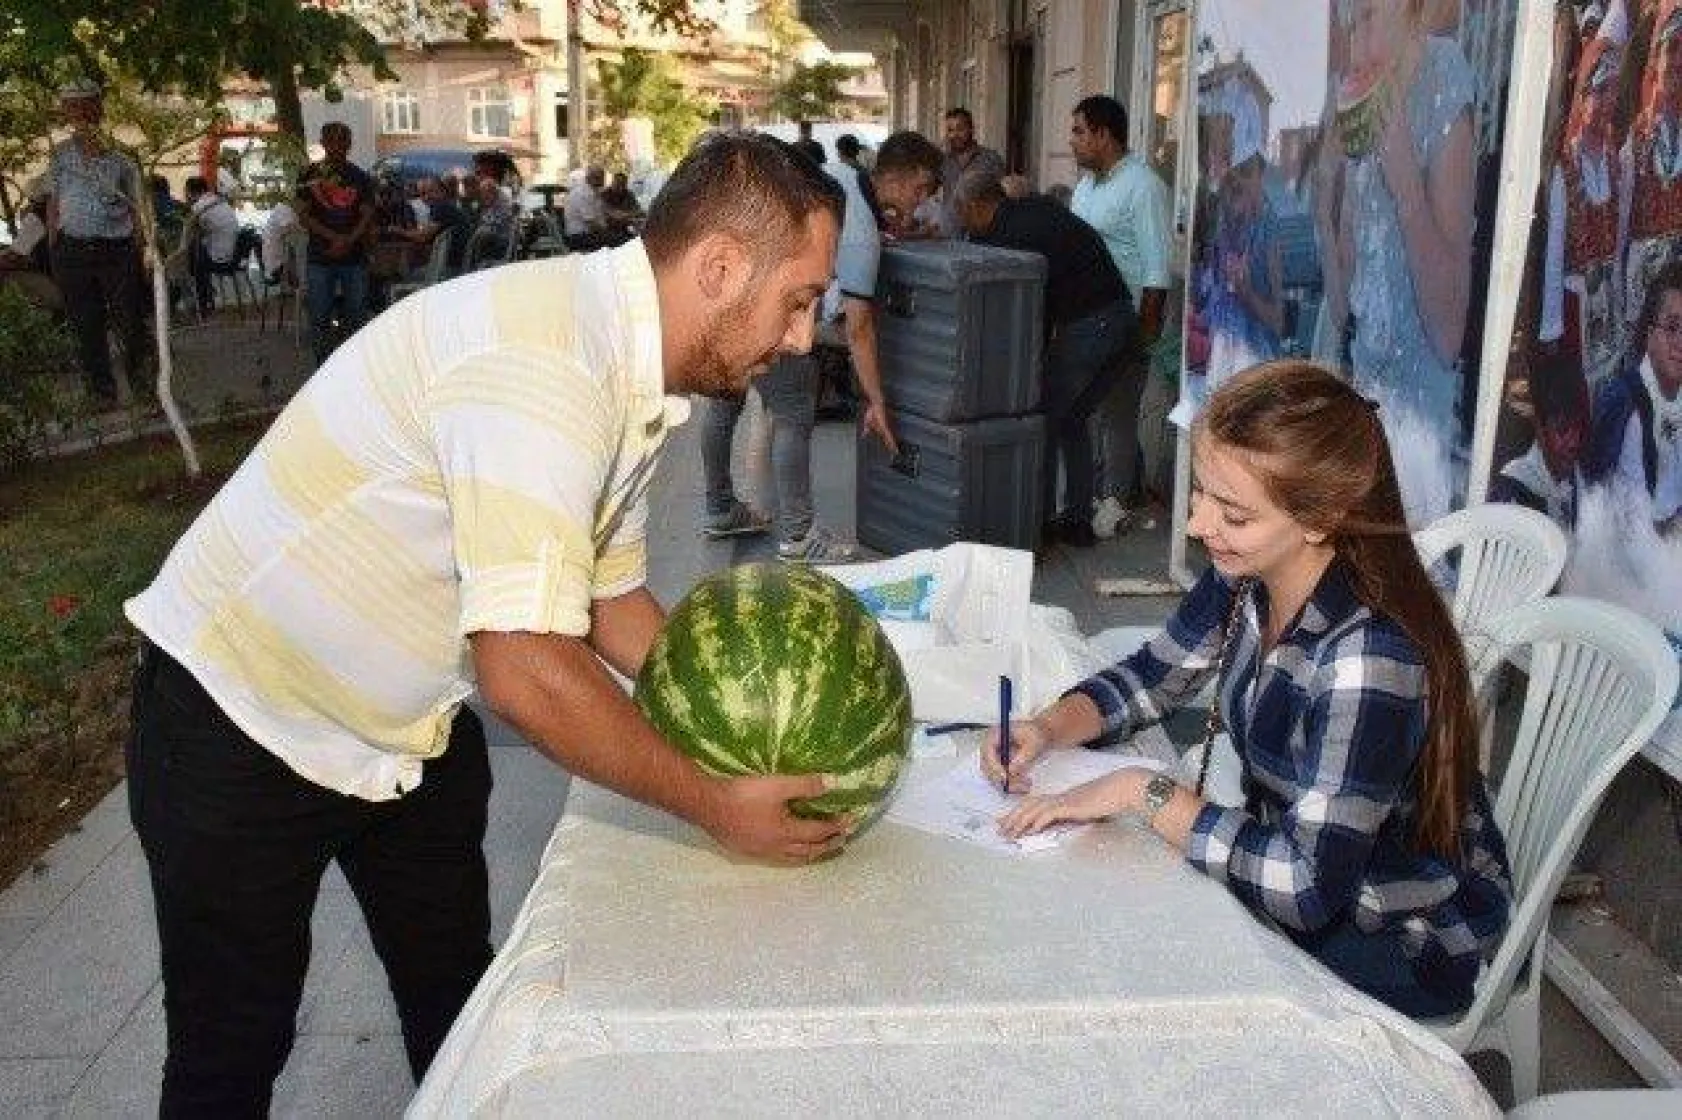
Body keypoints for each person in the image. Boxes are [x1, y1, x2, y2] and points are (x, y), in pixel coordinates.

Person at [122, 133, 850, 1114]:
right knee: (233, 1050)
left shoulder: (624, 363)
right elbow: (524, 672)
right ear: (718, 266)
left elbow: (606, 601)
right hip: (241, 720)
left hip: (405, 726)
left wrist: (762, 716)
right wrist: (717, 802)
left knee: (460, 1004)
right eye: (798, 300)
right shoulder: (545, 366)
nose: (803, 338)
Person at [988, 360, 1512, 1019]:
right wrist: (1047, 727)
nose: (1199, 526)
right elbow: (1156, 676)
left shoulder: (1369, 657)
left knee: (1144, 974)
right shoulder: (1252, 571)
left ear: (1319, 520)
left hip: (1401, 936)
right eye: (1202, 496)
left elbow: (1306, 887)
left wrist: (1142, 792)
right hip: (1302, 871)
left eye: (1232, 514)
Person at [699, 132, 939, 561]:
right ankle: (798, 534)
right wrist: (876, 400)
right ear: (904, 180)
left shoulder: (839, 175)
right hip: (775, 306)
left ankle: (718, 507)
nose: (920, 204)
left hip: (734, 288)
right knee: (792, 409)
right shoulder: (861, 232)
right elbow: (859, 327)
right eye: (921, 191)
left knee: (724, 402)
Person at [954, 169, 1135, 548]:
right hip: (1118, 319)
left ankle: (1039, 525)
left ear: (974, 205)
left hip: (1090, 326)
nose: (961, 222)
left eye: (961, 211)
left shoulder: (1009, 237)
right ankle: (1077, 522)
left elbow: (1025, 309)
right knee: (1072, 420)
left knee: (1047, 422)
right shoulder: (1033, 209)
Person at [1069, 94, 1174, 536]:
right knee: (1086, 411)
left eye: (1078, 131)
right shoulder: (1086, 186)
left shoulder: (1144, 186)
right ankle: (1094, 491)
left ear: (1103, 134)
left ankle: (1116, 500)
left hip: (1126, 321)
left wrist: (1143, 335)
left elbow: (1156, 270)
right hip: (1085, 320)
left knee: (1117, 414)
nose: (1072, 141)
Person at [46, 77, 148, 406]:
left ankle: (145, 391)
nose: (76, 114)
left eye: (81, 105)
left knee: (130, 321)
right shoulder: (60, 155)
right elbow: (53, 200)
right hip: (71, 250)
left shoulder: (122, 156)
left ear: (97, 108)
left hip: (116, 251)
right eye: (69, 107)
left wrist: (142, 248)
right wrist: (53, 241)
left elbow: (137, 207)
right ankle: (101, 394)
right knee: (85, 326)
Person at [1586, 260, 1682, 533]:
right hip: (1635, 549)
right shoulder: (1623, 402)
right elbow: (1602, 499)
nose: (1680, 342)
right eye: (1672, 327)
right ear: (1650, 333)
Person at [296, 121, 376, 363]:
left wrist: (349, 240)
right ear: (323, 143)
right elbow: (303, 215)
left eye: (342, 140)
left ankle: (355, 366)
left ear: (349, 144)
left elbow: (367, 214)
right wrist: (335, 238)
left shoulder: (360, 177)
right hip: (320, 257)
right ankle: (322, 368)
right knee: (319, 316)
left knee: (356, 315)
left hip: (354, 258)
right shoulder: (308, 175)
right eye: (331, 140)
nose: (337, 146)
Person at [1490, 347, 1590, 531]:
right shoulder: (1513, 493)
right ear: (1540, 429)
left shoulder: (1577, 480)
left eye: (1579, 428)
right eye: (1562, 430)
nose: (1574, 442)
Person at [938, 107, 1005, 235]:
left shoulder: (991, 159)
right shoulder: (943, 162)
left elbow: (1003, 195)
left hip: (983, 234)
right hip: (950, 234)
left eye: (960, 129)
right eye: (950, 130)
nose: (954, 135)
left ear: (971, 129)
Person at [0, 176, 62, 313]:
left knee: (4, 275)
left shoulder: (36, 218)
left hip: (56, 287)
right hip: (77, 285)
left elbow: (13, 258)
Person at [183, 175, 242, 314]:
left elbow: (190, 232)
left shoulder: (199, 206)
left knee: (192, 256)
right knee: (195, 253)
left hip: (220, 257)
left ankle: (202, 303)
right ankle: (206, 294)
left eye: (186, 192)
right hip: (233, 254)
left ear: (192, 192)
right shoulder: (220, 201)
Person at [835, 133, 883, 225]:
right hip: (865, 228)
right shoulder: (865, 175)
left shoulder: (833, 174)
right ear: (857, 152)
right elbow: (874, 206)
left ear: (839, 153)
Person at [564, 165, 609, 250]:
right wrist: (607, 231)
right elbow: (591, 223)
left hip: (587, 234)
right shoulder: (583, 193)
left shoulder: (593, 192)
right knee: (619, 241)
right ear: (588, 178)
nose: (602, 181)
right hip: (580, 237)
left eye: (603, 177)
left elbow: (603, 213)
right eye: (598, 177)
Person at [600, 170, 644, 245]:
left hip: (625, 227)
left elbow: (638, 210)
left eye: (622, 184)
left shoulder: (628, 194)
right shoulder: (605, 195)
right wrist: (629, 216)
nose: (620, 187)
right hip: (608, 230)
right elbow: (611, 214)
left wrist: (628, 216)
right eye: (617, 183)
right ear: (613, 182)